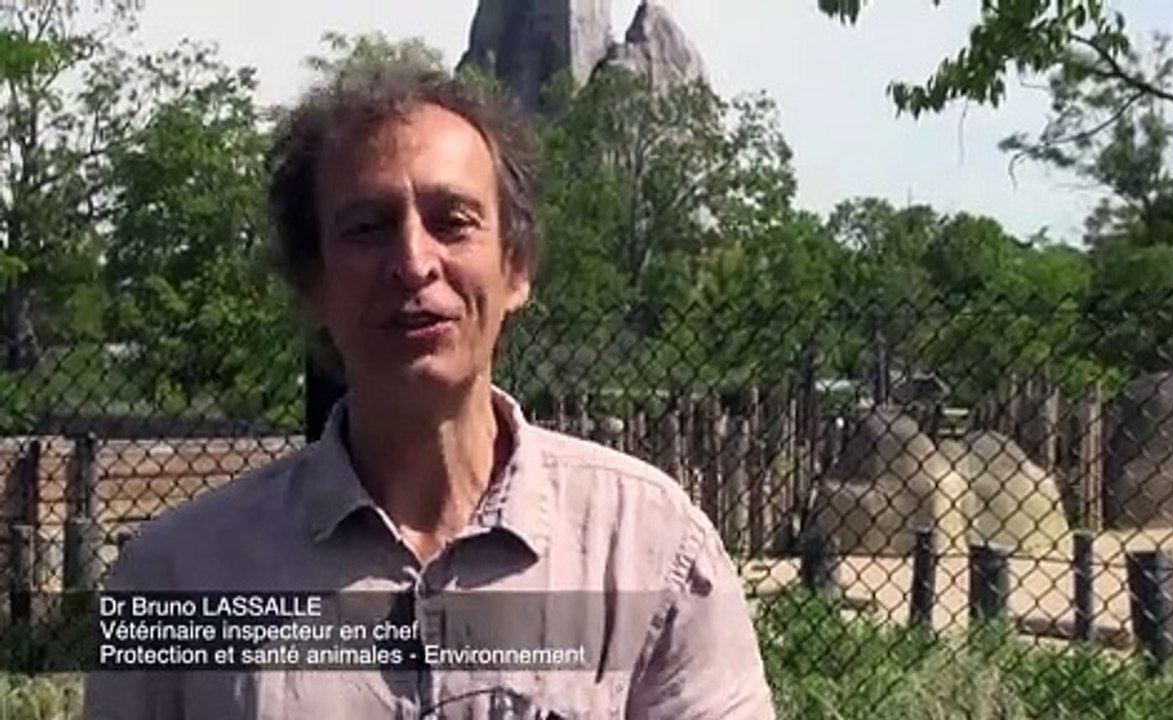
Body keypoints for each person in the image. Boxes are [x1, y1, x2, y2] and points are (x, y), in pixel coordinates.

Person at [83, 56, 775, 719]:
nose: (414, 262)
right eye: (367, 228)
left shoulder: (650, 549)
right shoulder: (175, 577)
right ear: (312, 283)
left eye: (453, 221)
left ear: (516, 267)